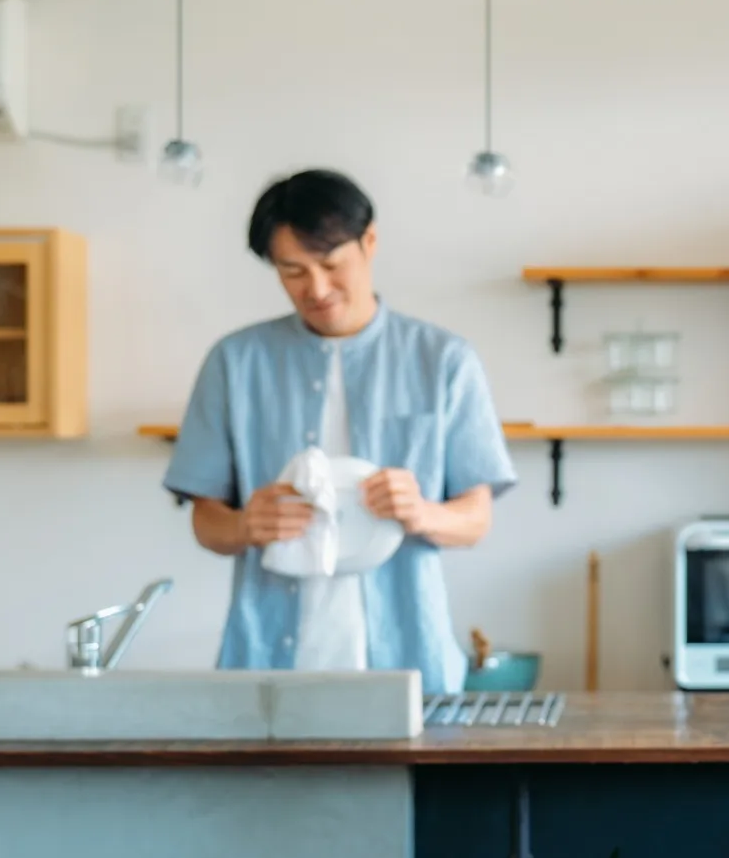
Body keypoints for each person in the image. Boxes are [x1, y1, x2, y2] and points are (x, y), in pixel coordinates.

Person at [163, 169, 517, 692]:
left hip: (411, 663)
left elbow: (476, 519)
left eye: (331, 265)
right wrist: (245, 525)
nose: (317, 289)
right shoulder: (235, 363)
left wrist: (422, 512)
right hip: (267, 665)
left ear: (368, 242)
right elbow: (206, 522)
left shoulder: (444, 361)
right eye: (292, 271)